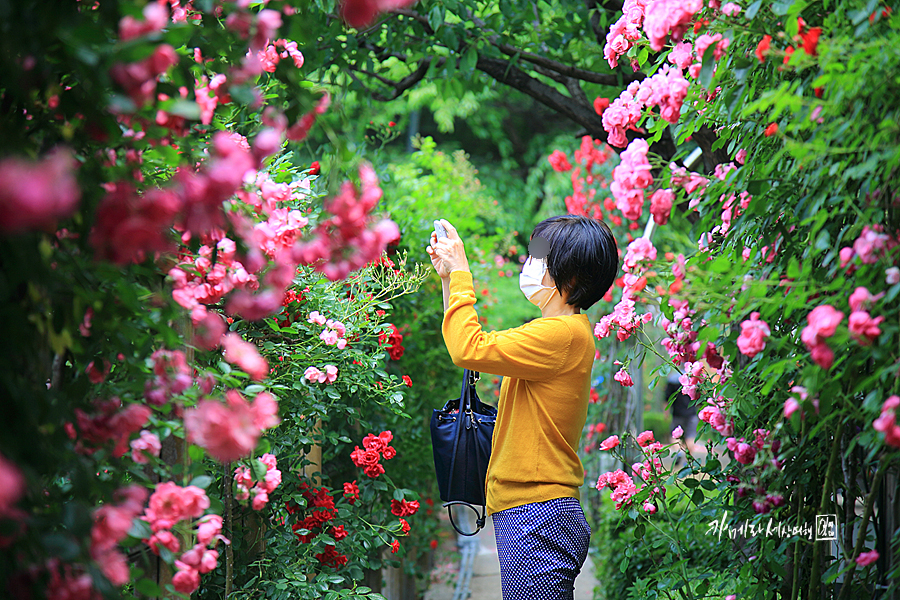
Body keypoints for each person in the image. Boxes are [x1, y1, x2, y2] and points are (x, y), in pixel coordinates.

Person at [426, 215, 618, 600]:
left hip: (538, 514)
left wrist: (462, 272)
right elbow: (468, 351)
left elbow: (470, 347)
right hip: (535, 513)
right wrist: (449, 277)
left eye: (540, 257)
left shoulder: (561, 334)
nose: (530, 264)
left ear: (572, 276)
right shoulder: (559, 332)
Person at [664, 371, 698, 457]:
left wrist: (666, 412)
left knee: (675, 436)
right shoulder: (693, 379)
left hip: (677, 413)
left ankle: (678, 453)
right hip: (691, 413)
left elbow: (667, 398)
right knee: (690, 436)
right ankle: (689, 460)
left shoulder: (672, 379)